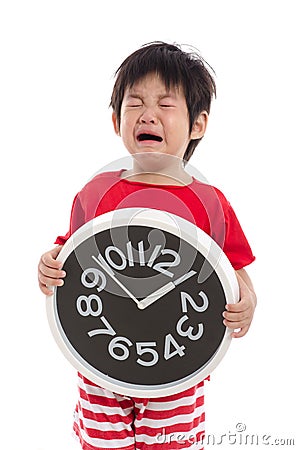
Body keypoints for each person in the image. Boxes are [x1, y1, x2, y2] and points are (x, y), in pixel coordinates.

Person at [38, 42, 257, 450]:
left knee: (171, 444)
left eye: (165, 104)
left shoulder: (210, 201)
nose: (147, 114)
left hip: (178, 362)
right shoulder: (96, 191)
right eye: (133, 102)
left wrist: (248, 299)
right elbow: (72, 254)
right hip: (101, 355)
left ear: (198, 124)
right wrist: (49, 264)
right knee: (102, 442)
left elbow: (233, 267)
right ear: (116, 120)